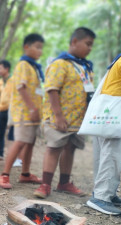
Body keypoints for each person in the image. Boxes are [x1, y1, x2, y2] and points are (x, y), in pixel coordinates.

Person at [33, 27, 96, 198]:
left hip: (77, 118)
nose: (90, 48)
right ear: (74, 41)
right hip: (58, 117)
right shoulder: (60, 63)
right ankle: (45, 185)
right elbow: (52, 89)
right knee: (54, 148)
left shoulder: (84, 66)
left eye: (92, 45)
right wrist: (59, 116)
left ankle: (64, 182)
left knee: (70, 148)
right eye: (87, 44)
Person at [0, 33, 45, 189]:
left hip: (33, 113)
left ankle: (25, 174)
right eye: (37, 47)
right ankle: (4, 175)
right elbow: (21, 88)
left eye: (41, 48)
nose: (40, 51)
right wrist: (32, 108)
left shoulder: (33, 67)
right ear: (26, 47)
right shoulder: (23, 65)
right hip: (25, 112)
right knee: (20, 142)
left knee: (30, 143)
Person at [86, 53, 121, 215]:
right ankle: (101, 197)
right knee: (112, 154)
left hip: (108, 111)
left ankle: (106, 193)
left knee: (106, 154)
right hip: (114, 112)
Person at [0, 60, 11, 160]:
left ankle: (13, 155)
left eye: (0, 68)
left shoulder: (14, 80)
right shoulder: (0, 82)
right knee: (0, 132)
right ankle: (0, 153)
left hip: (12, 110)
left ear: (7, 69)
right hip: (2, 110)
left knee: (12, 133)